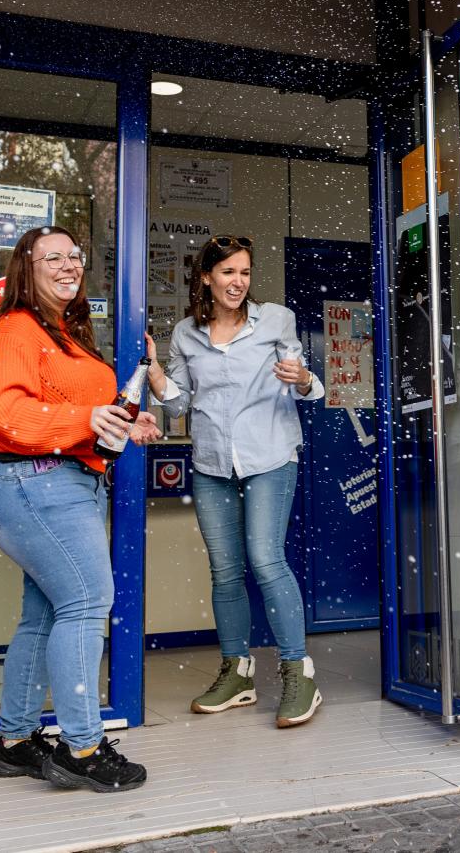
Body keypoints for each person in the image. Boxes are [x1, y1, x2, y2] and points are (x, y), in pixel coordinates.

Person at [0, 225, 160, 793]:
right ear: (25, 267)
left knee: (47, 615)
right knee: (85, 602)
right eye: (51, 257)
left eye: (74, 257)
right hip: (35, 484)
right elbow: (5, 415)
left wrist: (123, 424)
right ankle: (81, 748)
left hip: (63, 483)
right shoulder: (15, 331)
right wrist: (85, 422)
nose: (66, 265)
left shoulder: (64, 335)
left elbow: (77, 411)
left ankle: (15, 743)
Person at [146, 234, 327, 729]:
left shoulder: (276, 320)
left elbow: (311, 386)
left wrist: (303, 378)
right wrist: (158, 374)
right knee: (226, 572)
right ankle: (238, 672)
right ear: (206, 276)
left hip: (269, 456)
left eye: (245, 272)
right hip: (211, 464)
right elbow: (180, 404)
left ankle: (298, 672)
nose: (237, 282)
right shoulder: (186, 332)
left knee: (266, 560)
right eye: (228, 272)